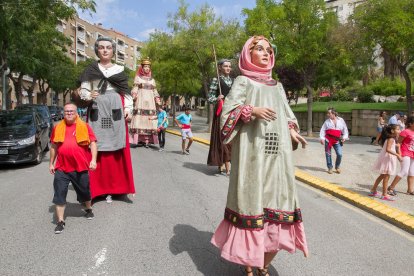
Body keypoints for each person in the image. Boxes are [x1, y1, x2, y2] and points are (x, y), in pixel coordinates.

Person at [210, 36, 308, 276]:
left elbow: (286, 114)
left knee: (278, 208)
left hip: (278, 157)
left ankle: (263, 264)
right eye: (260, 49)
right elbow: (226, 119)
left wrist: (293, 131)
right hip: (252, 156)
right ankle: (249, 265)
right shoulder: (243, 82)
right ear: (247, 54)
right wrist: (251, 110)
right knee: (252, 206)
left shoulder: (278, 86)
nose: (266, 54)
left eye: (269, 50)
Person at [77, 37, 135, 204]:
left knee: (117, 149)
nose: (105, 50)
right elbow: (84, 90)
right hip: (97, 108)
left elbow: (126, 92)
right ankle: (96, 189)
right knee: (96, 146)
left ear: (113, 51)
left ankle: (117, 188)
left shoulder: (119, 69)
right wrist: (88, 95)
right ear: (97, 50)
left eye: (108, 47)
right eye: (101, 47)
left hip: (116, 108)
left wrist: (128, 109)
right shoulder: (91, 69)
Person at [49, 103, 97, 234]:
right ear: (63, 113)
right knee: (59, 194)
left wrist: (93, 160)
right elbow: (54, 146)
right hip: (62, 168)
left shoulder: (85, 127)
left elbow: (93, 143)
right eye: (66, 111)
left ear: (76, 113)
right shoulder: (58, 127)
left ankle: (88, 209)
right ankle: (60, 222)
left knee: (84, 191)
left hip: (80, 167)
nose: (69, 113)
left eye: (71, 111)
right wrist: (51, 163)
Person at [207, 59, 234, 175]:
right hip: (221, 112)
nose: (228, 68)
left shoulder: (234, 81)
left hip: (232, 112)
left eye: (229, 66)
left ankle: (229, 162)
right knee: (221, 138)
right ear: (220, 68)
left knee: (231, 138)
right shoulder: (216, 80)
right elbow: (209, 98)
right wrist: (217, 98)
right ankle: (221, 164)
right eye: (225, 66)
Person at [130, 58, 160, 148]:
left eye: (148, 67)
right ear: (142, 68)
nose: (147, 68)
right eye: (145, 66)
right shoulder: (138, 78)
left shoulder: (152, 80)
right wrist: (134, 95)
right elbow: (135, 88)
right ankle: (138, 139)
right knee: (140, 120)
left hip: (150, 101)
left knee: (149, 120)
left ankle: (147, 140)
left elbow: (155, 90)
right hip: (141, 101)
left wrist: (157, 99)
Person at [369, 124, 401, 201]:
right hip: (388, 159)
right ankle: (384, 194)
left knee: (382, 176)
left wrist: (396, 146)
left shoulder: (390, 139)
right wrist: (397, 155)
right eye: (398, 129)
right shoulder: (391, 139)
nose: (399, 131)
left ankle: (373, 190)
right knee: (386, 177)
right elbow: (388, 149)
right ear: (392, 131)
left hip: (387, 158)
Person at [387, 116, 414, 196]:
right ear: (410, 124)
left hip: (412, 154)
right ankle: (391, 187)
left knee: (412, 172)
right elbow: (398, 143)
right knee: (404, 171)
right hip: (405, 152)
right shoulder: (405, 132)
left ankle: (410, 190)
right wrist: (399, 154)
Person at [319, 107, 349, 174]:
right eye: (328, 113)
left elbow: (345, 129)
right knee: (328, 154)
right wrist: (322, 138)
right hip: (328, 140)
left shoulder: (341, 120)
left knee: (339, 154)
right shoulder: (327, 122)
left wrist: (344, 137)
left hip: (337, 140)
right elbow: (322, 130)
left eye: (329, 113)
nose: (328, 114)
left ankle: (337, 167)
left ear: (334, 113)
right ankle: (330, 168)